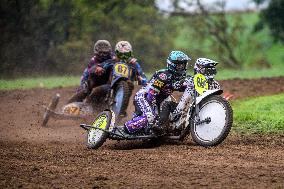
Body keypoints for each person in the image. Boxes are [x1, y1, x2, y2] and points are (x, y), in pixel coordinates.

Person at [124, 51, 221, 134]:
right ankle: (126, 129)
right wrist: (152, 110)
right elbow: (152, 93)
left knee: (166, 116)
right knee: (150, 117)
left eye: (184, 64)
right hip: (145, 96)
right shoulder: (163, 75)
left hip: (161, 99)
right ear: (172, 65)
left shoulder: (180, 77)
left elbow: (185, 87)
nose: (182, 67)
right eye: (179, 65)